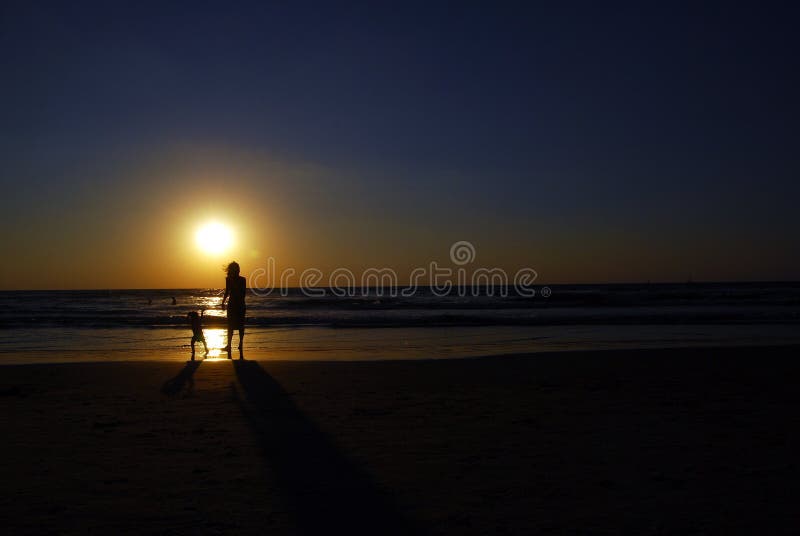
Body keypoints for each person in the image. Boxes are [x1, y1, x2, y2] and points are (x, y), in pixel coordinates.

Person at [221, 261, 246, 355]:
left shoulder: (242, 279)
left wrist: (223, 302)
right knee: (232, 325)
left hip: (237, 304)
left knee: (238, 325)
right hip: (235, 304)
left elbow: (242, 293)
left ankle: (239, 343)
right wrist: (223, 302)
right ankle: (230, 345)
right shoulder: (230, 279)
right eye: (237, 268)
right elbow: (227, 291)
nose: (238, 270)